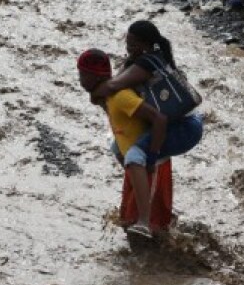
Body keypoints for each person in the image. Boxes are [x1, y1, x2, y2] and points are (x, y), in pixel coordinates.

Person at [85, 22, 205, 236]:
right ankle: (144, 199)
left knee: (135, 155)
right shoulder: (145, 60)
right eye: (127, 42)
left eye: (132, 43)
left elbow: (112, 86)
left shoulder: (148, 63)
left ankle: (144, 221)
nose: (128, 47)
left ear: (145, 44)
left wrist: (151, 156)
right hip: (176, 123)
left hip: (184, 128)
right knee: (117, 148)